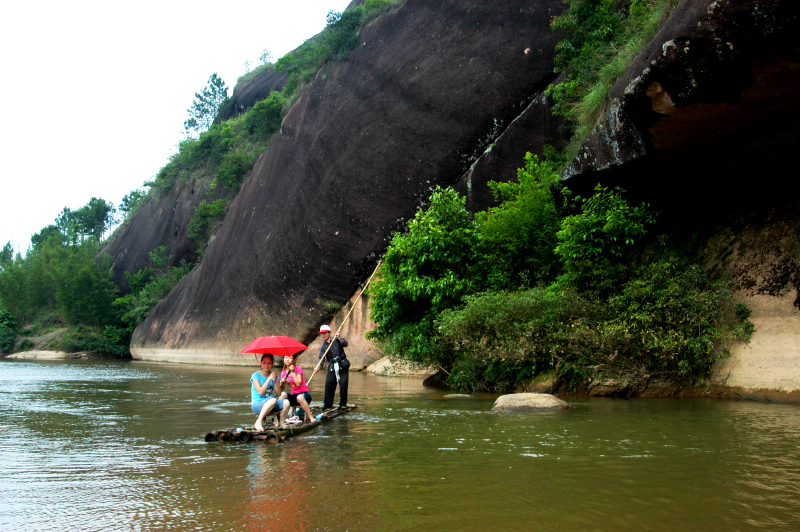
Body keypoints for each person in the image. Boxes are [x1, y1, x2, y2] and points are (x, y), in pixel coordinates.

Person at [250, 354, 287, 432]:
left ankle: (281, 423)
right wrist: (269, 379)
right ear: (261, 364)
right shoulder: (255, 376)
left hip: (270, 403)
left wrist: (274, 380)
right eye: (264, 363)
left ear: (272, 364)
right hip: (257, 405)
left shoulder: (274, 375)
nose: (267, 365)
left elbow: (279, 394)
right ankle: (258, 422)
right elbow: (260, 392)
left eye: (269, 363)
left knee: (286, 402)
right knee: (273, 400)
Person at [277, 353, 316, 427]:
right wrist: (282, 382)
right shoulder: (283, 372)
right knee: (283, 394)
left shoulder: (298, 368)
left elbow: (298, 383)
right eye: (286, 357)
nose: (287, 359)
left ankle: (311, 417)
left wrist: (293, 372)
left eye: (290, 358)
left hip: (304, 395)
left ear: (293, 360)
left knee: (299, 397)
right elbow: (282, 389)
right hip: (294, 396)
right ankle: (279, 418)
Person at [317, 324, 349, 409]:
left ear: (329, 333)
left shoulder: (336, 340)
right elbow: (321, 358)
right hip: (332, 366)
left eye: (325, 333)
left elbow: (345, 344)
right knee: (329, 383)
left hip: (342, 364)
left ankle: (343, 404)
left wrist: (339, 337)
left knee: (343, 384)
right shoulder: (323, 347)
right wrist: (318, 366)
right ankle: (327, 403)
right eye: (322, 334)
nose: (323, 335)